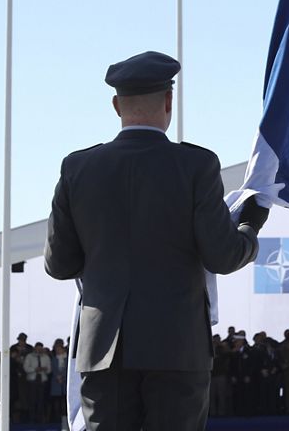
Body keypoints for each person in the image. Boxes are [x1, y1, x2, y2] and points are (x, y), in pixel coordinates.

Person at [43, 51, 269, 430]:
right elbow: (223, 256)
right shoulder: (197, 165)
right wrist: (249, 230)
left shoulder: (77, 168)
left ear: (117, 106)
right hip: (176, 347)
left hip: (104, 350)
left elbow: (59, 264)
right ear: (168, 102)